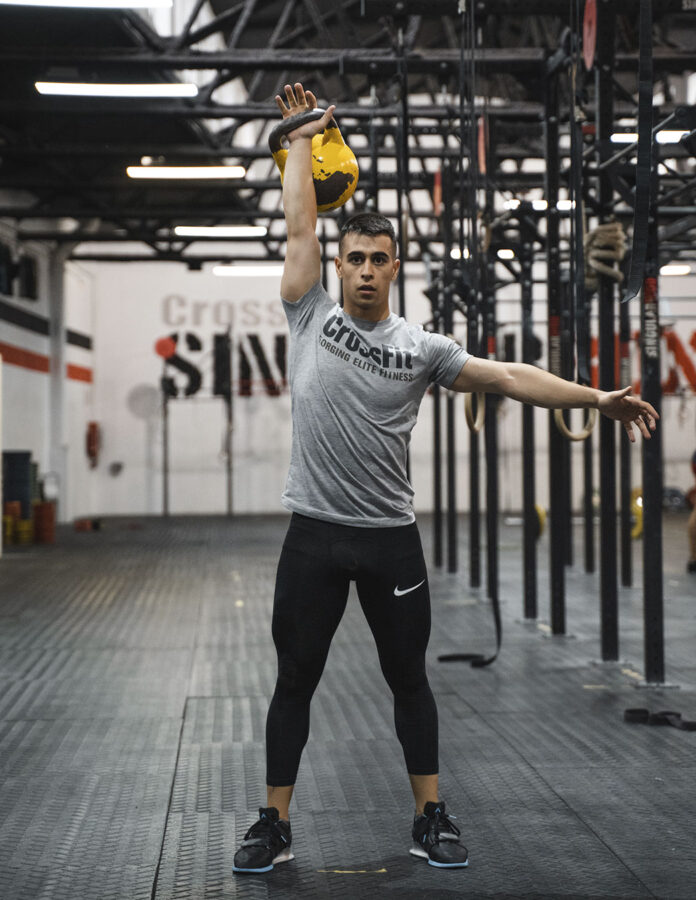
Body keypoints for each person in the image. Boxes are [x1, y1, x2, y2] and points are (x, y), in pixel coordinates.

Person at [232, 82, 659, 876]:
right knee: (294, 681)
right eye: (351, 258)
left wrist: (598, 397)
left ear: (396, 267)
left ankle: (430, 813)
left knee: (409, 683)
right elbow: (298, 224)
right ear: (339, 264)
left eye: (376, 260)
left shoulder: (424, 349)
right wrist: (297, 137)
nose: (362, 270)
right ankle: (273, 821)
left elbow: (512, 377)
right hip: (314, 536)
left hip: (392, 542)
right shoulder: (307, 312)